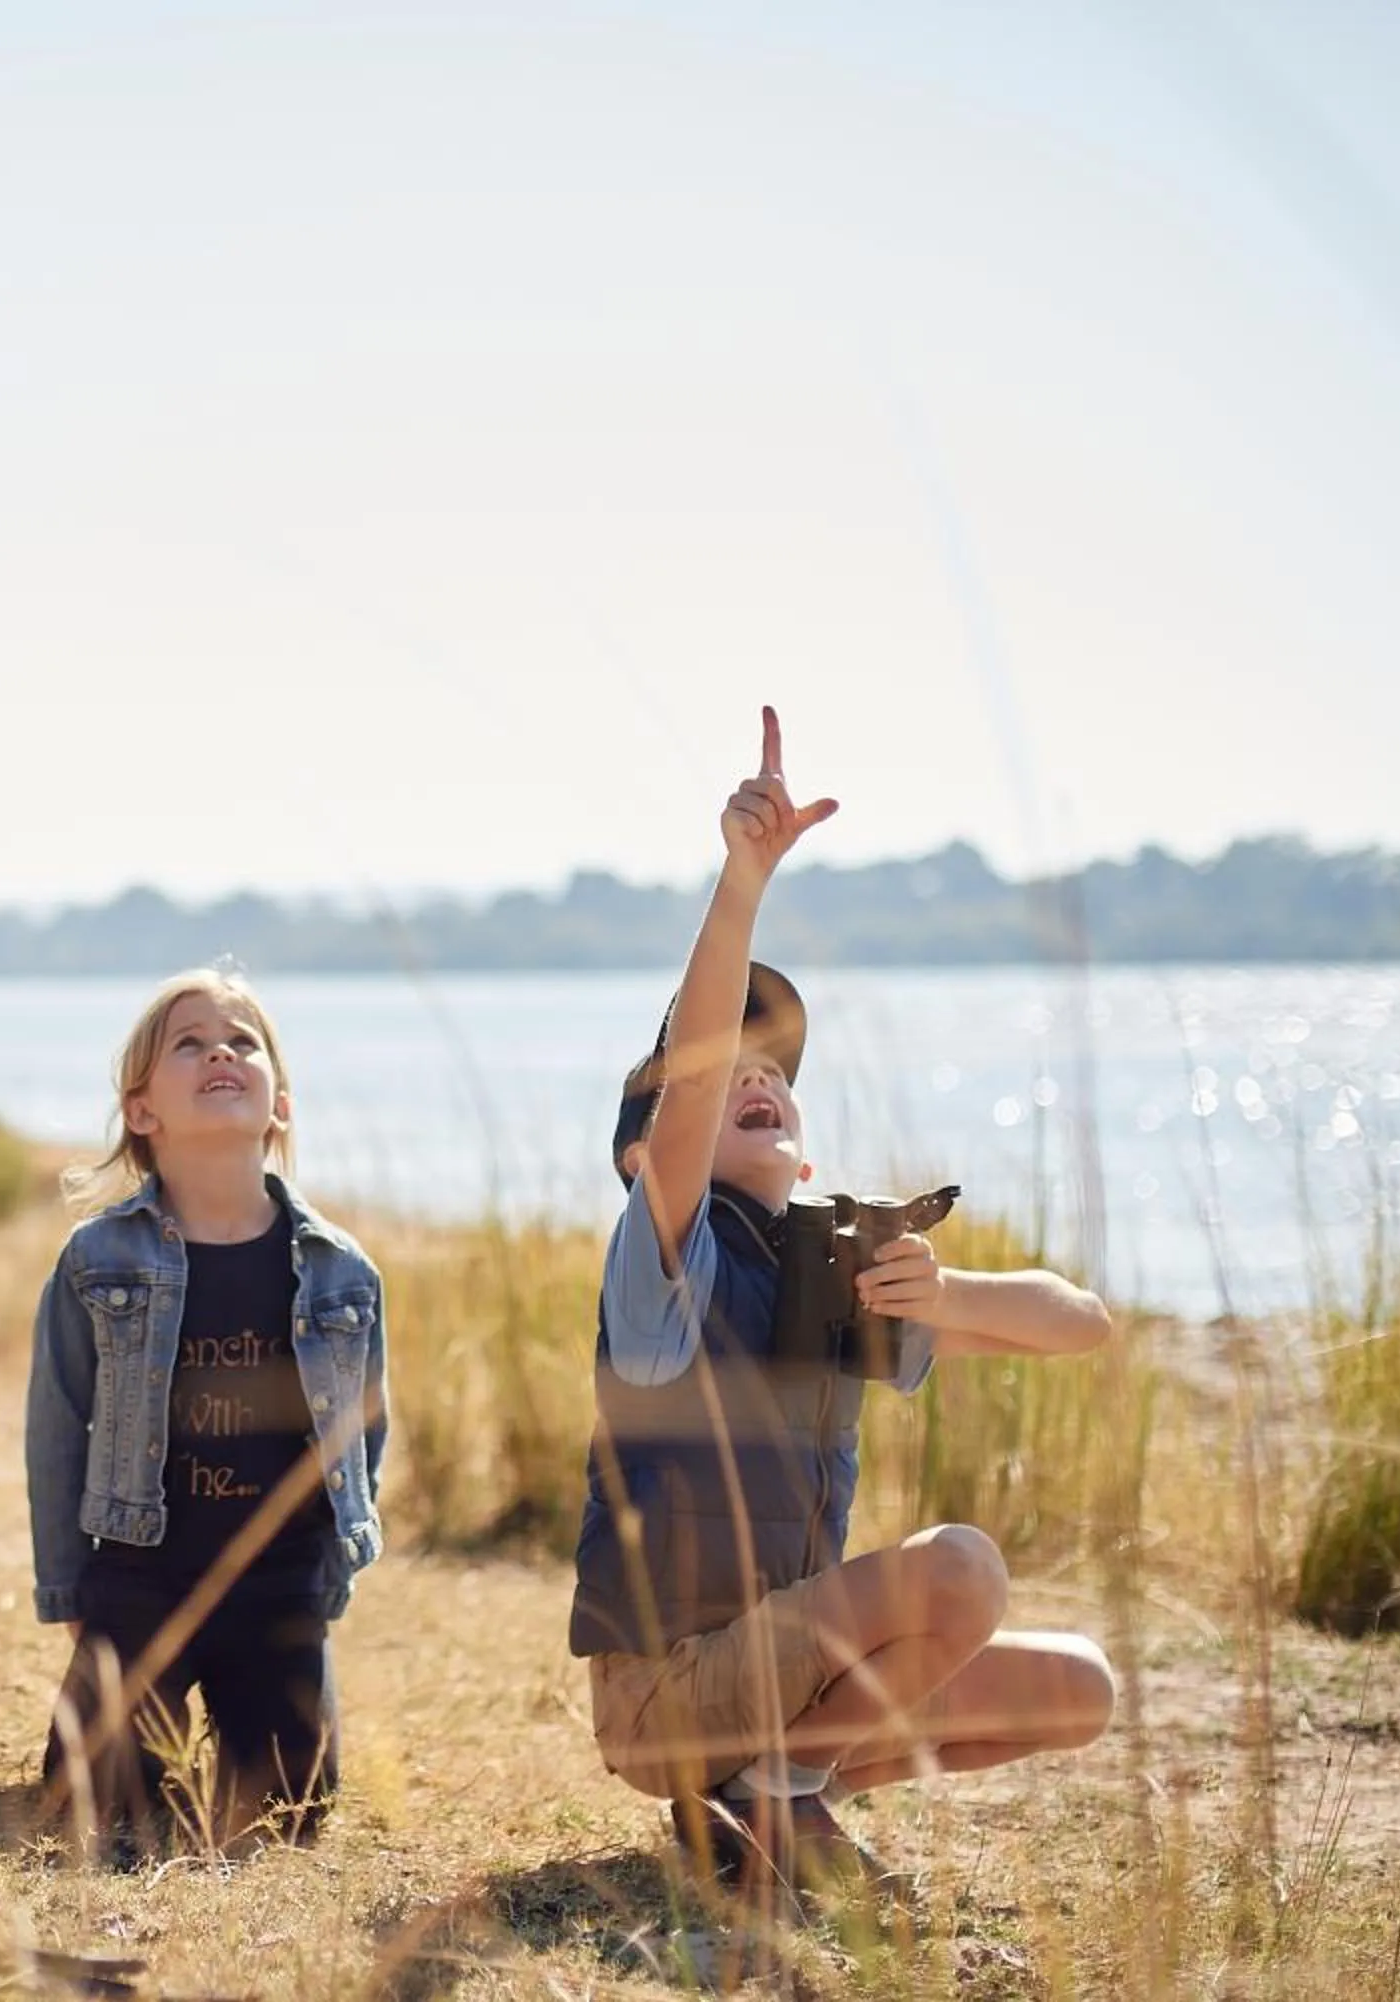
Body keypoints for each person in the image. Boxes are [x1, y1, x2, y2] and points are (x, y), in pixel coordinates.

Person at [573, 707, 1118, 1897]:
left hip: (778, 1684)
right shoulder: (663, 1265)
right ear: (646, 1156)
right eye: (727, 1075)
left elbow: (1081, 1322)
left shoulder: (835, 1273)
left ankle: (759, 1794)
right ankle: (780, 1790)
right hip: (666, 1692)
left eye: (774, 1072)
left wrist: (946, 1288)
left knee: (1080, 1688)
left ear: (806, 1151)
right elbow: (694, 1072)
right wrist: (744, 879)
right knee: (961, 1569)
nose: (755, 1076)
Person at [26, 970, 389, 1853]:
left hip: (277, 1587)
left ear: (280, 1106)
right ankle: (148, 1735)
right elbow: (56, 1429)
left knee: (288, 1816)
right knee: (93, 1805)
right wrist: (72, 1590)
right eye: (188, 1044)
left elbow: (362, 1434)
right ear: (142, 1110)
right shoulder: (97, 1259)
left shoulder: (341, 1269)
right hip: (140, 1578)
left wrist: (328, 1578)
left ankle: (253, 1713)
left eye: (242, 1042)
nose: (220, 1052)